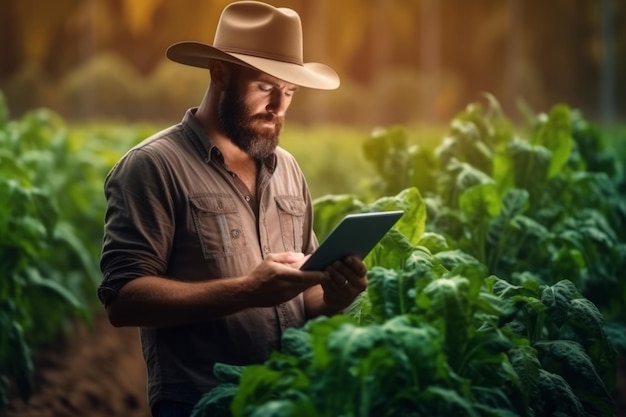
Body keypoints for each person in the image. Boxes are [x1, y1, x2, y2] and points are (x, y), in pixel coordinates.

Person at [97, 2, 367, 416]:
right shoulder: (153, 166)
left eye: (289, 92)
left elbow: (302, 297)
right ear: (219, 74)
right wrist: (246, 291)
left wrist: (332, 294)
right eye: (265, 87)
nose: (278, 106)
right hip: (199, 402)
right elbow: (124, 299)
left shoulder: (289, 169)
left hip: (288, 399)